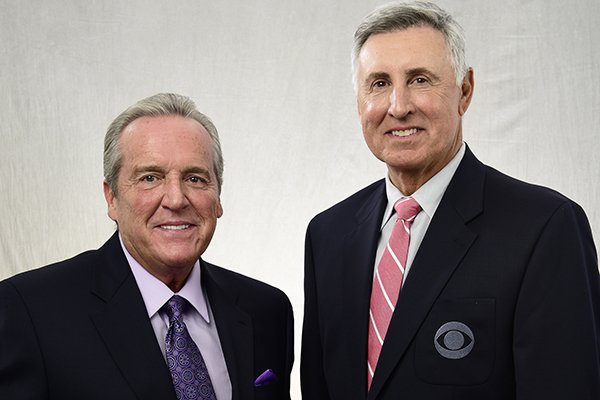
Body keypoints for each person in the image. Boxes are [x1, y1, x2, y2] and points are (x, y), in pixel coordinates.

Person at [301, 2, 600, 399]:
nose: (398, 106)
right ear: (359, 100)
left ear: (465, 90)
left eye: (420, 80)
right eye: (379, 83)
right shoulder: (328, 235)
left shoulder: (545, 229)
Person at [0, 93, 293, 400]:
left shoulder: (266, 311)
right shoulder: (28, 312)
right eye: (150, 178)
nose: (176, 199)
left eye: (195, 178)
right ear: (111, 198)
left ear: (217, 198)